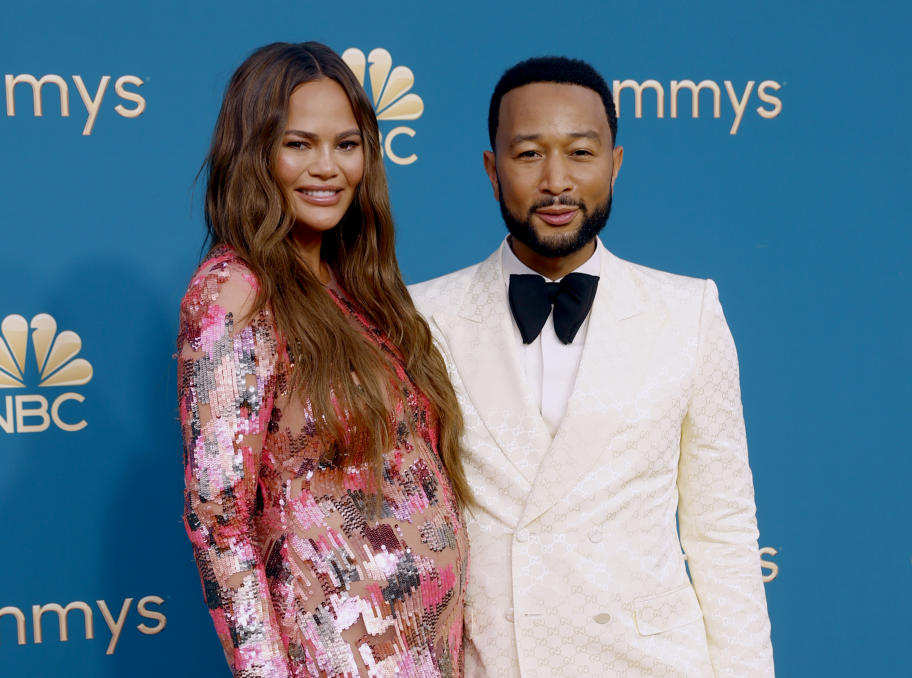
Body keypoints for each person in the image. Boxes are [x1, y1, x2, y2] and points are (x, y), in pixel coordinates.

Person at [409, 56, 775, 678]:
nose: (557, 181)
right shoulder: (420, 316)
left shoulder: (688, 313)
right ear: (492, 171)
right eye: (529, 155)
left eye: (581, 153)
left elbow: (723, 534)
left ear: (616, 163)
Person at [177, 42, 470, 678]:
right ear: (255, 155)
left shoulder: (360, 285)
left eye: (346, 144)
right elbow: (219, 523)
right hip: (334, 658)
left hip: (431, 653)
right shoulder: (234, 292)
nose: (327, 167)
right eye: (299, 144)